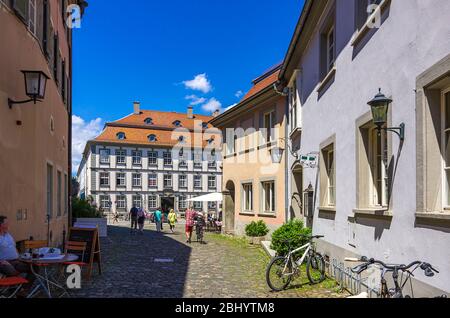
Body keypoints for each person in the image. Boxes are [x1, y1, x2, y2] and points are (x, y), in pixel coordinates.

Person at [0, 216, 36, 296]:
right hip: (4, 263)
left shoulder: (8, 235)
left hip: (16, 261)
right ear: (1, 225)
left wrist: (19, 256)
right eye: (6, 223)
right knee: (11, 271)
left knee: (34, 268)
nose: (8, 224)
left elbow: (14, 247)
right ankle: (12, 291)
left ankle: (23, 290)